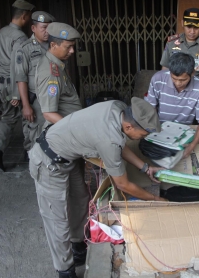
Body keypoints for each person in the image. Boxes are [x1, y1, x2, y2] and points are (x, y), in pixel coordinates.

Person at [29, 97, 166, 278]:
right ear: (129, 127)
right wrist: (156, 200)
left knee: (81, 201)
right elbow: (122, 184)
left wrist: (145, 167)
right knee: (58, 222)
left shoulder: (118, 109)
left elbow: (119, 144)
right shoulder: (109, 139)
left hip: (68, 158)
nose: (144, 138)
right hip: (48, 164)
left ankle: (78, 247)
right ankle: (65, 270)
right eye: (143, 135)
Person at [0, 0, 35, 172]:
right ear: (24, 16)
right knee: (27, 115)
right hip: (15, 84)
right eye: (29, 16)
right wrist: (18, 94)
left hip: (2, 84)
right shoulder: (19, 37)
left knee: (9, 117)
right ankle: (25, 151)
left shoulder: (1, 32)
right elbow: (18, 67)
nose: (29, 19)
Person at [145, 53, 199, 156]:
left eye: (183, 80)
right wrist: (153, 130)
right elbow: (150, 107)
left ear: (192, 73)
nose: (178, 83)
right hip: (160, 128)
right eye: (174, 78)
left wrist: (191, 146)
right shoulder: (158, 79)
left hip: (183, 132)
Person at [13, 11, 55, 151]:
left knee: (53, 133)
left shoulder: (54, 46)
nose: (47, 31)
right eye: (43, 27)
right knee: (36, 136)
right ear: (33, 28)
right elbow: (21, 79)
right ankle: (35, 166)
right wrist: (26, 105)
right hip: (36, 100)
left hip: (53, 97)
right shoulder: (25, 49)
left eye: (49, 27)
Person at [35, 22, 83, 125]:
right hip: (64, 132)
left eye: (73, 47)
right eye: (68, 47)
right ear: (53, 45)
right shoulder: (50, 73)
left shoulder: (57, 64)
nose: (72, 51)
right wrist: (72, 129)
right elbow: (49, 113)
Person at [160, 8, 199, 82]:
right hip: (176, 86)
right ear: (182, 23)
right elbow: (165, 68)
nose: (192, 31)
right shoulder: (172, 42)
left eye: (196, 27)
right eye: (189, 27)